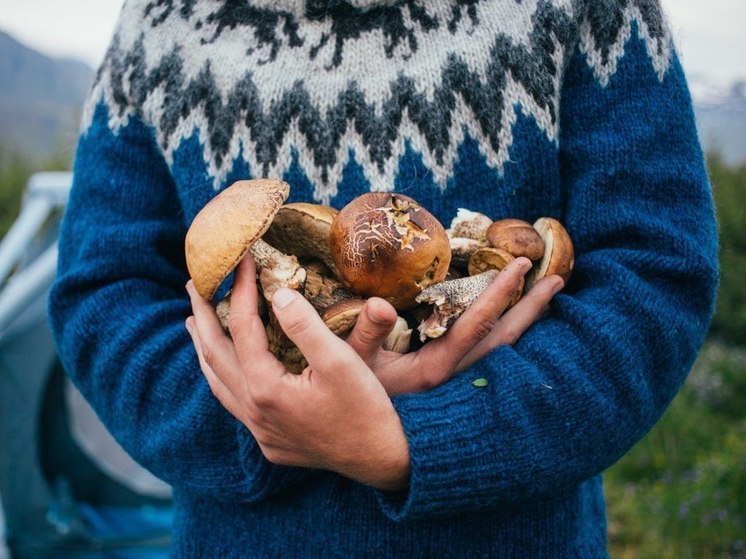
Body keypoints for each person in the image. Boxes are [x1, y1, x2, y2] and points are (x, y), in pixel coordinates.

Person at [49, 0, 719, 556]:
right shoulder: (162, 22)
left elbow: (651, 275)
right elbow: (105, 293)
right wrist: (272, 415)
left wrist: (416, 439)